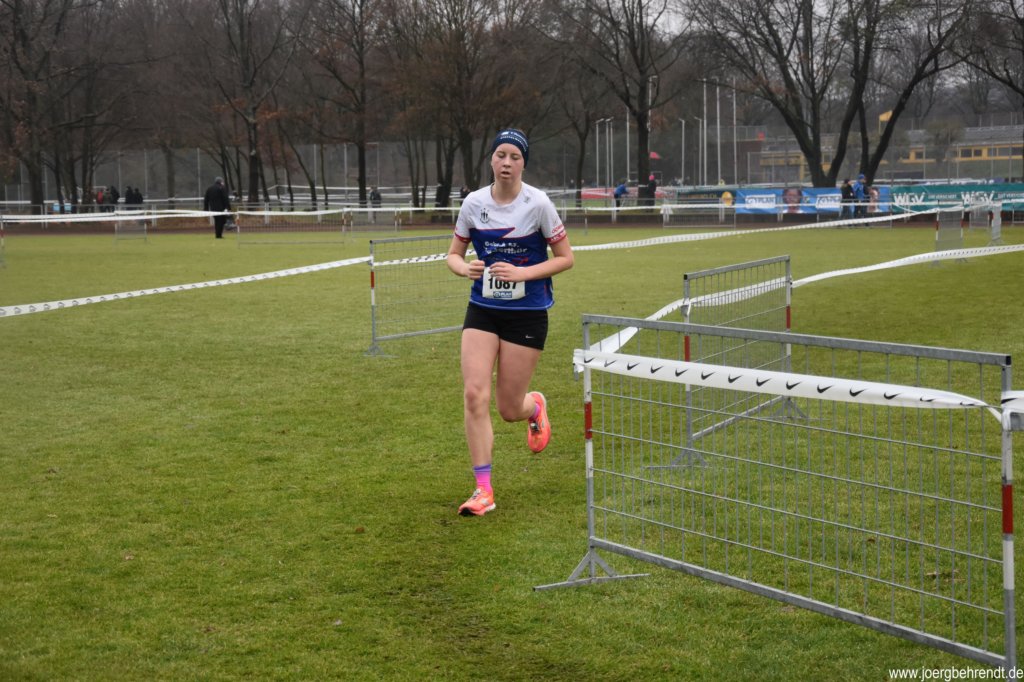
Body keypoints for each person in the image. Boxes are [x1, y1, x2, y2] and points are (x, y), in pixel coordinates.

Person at [445, 128, 574, 517]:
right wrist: (464, 268)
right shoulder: (473, 203)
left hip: (527, 314)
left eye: (514, 157)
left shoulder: (538, 204)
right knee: (474, 394)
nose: (506, 162)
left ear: (523, 164)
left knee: (507, 408)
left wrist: (523, 273)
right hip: (483, 310)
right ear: (491, 160)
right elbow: (453, 254)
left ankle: (534, 408)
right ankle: (483, 490)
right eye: (500, 155)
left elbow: (565, 258)